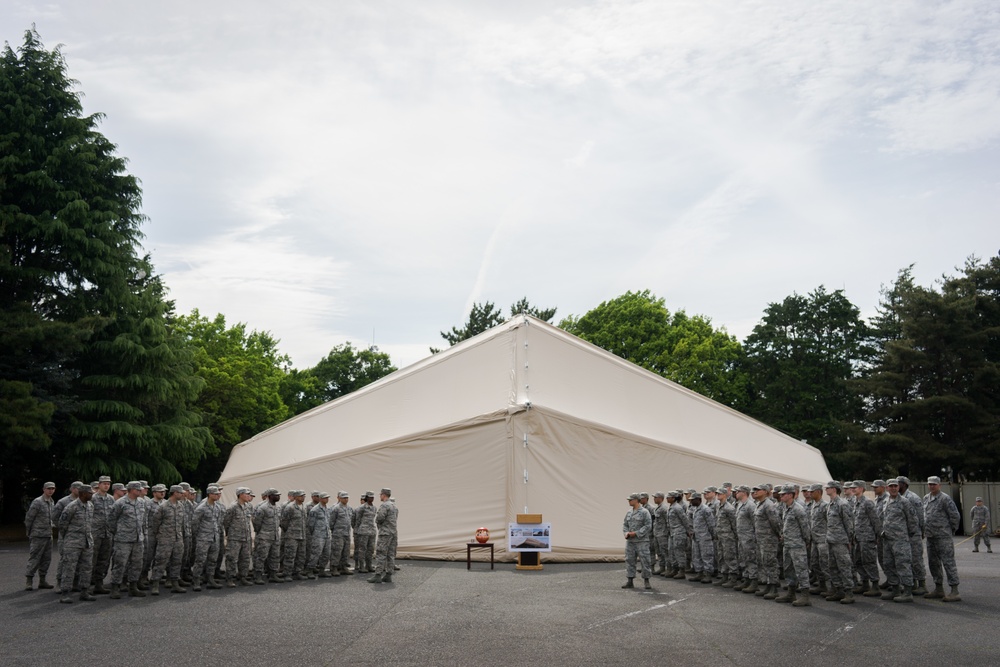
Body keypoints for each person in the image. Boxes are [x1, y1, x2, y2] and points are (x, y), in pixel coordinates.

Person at [923, 476, 961, 602]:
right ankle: (938, 589)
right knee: (933, 563)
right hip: (930, 536)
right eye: (930, 484)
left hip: (943, 536)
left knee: (948, 563)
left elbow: (955, 516)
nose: (932, 486)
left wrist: (951, 530)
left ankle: (954, 590)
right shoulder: (926, 498)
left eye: (934, 484)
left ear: (939, 485)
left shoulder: (945, 498)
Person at [57, 484, 96, 604]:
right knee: (69, 567)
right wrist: (69, 538)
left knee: (87, 568)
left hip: (87, 542)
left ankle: (84, 591)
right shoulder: (71, 506)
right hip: (73, 542)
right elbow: (62, 525)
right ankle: (65, 593)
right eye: (90, 493)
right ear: (83, 493)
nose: (92, 495)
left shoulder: (90, 506)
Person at [880, 479, 918, 603]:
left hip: (900, 540)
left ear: (898, 487)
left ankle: (907, 592)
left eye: (895, 486)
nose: (893, 488)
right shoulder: (886, 501)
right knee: (889, 565)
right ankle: (895, 590)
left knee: (903, 565)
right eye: (891, 486)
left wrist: (908, 536)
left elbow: (912, 520)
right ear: (887, 488)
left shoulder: (904, 502)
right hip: (888, 539)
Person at [108, 481, 147, 599]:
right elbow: (111, 521)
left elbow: (143, 520)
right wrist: (119, 533)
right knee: (120, 563)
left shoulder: (141, 502)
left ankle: (133, 587)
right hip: (123, 539)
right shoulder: (120, 503)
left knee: (137, 564)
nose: (140, 491)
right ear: (130, 490)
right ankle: (115, 587)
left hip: (137, 539)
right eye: (138, 489)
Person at [775, 485, 812, 606]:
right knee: (788, 569)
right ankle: (791, 593)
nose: (781, 496)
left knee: (801, 569)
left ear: (790, 495)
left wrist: (806, 542)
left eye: (783, 494)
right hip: (788, 544)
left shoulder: (798, 509)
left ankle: (805, 596)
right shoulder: (786, 508)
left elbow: (805, 528)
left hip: (797, 545)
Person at [150, 485, 188, 595]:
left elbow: (182, 523)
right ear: (174, 493)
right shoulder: (163, 506)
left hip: (178, 538)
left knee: (177, 561)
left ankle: (174, 583)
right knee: (161, 561)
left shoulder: (180, 506)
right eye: (180, 493)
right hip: (165, 539)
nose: (182, 494)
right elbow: (155, 523)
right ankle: (155, 584)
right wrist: (161, 535)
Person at [824, 481, 855, 604]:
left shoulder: (842, 504)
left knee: (844, 566)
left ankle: (849, 592)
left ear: (834, 489)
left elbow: (849, 523)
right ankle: (838, 590)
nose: (826, 489)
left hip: (841, 540)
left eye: (828, 488)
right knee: (832, 567)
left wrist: (849, 540)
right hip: (831, 540)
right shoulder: (830, 504)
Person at [897, 476, 928, 595]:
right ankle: (912, 583)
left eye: (898, 483)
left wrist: (921, 531)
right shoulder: (899, 498)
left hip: (914, 533)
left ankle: (922, 584)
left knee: (916, 559)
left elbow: (921, 516)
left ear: (904, 484)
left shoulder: (913, 498)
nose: (896, 486)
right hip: (904, 534)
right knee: (907, 560)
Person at [24, 481, 57, 591]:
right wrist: (29, 532)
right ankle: (29, 580)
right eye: (48, 489)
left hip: (48, 535)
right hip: (38, 534)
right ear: (44, 489)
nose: (50, 490)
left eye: (52, 489)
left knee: (46, 559)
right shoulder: (38, 502)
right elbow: (29, 518)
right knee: (35, 558)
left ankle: (42, 580)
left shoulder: (52, 502)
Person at [190, 485, 224, 590]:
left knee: (212, 560)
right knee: (200, 560)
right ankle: (196, 581)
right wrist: (199, 536)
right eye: (215, 494)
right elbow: (194, 524)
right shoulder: (201, 508)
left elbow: (219, 522)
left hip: (215, 537)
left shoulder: (217, 507)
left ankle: (210, 579)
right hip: (203, 538)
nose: (217, 495)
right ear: (209, 494)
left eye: (218, 493)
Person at [852, 481, 882, 596]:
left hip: (867, 537)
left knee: (869, 561)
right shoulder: (855, 502)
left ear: (862, 489)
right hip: (858, 538)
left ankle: (875, 585)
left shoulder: (868, 503)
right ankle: (865, 584)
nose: (853, 489)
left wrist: (878, 536)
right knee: (858, 561)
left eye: (856, 487)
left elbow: (875, 520)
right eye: (853, 487)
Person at [753, 484, 781, 600]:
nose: (755, 492)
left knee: (771, 563)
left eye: (757, 490)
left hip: (769, 539)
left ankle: (774, 588)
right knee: (765, 562)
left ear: (765, 492)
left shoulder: (769, 505)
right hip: (761, 539)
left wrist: (777, 535)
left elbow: (775, 522)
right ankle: (769, 585)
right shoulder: (759, 504)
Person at [224, 487, 256, 586]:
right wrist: (229, 534)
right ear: (240, 494)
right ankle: (230, 578)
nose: (248, 496)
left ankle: (243, 577)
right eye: (246, 494)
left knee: (245, 558)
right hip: (235, 538)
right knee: (232, 558)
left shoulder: (249, 506)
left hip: (246, 537)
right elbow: (226, 522)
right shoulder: (232, 507)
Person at [621, 492, 652, 589]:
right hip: (630, 542)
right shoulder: (629, 512)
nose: (629, 501)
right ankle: (630, 580)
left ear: (636, 500)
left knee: (645, 561)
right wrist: (626, 533)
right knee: (629, 560)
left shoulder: (644, 512)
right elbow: (625, 524)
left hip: (642, 541)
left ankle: (646, 580)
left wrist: (637, 533)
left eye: (630, 500)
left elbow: (648, 526)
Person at [89, 475, 114, 594]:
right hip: (95, 533)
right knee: (91, 560)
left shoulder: (111, 499)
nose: (106, 485)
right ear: (99, 485)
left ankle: (99, 584)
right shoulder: (92, 498)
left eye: (108, 484)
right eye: (104, 483)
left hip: (107, 534)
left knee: (103, 561)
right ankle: (87, 586)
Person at [369, 488, 399, 584]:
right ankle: (388, 575)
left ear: (383, 495)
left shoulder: (384, 506)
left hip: (385, 533)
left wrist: (380, 525)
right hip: (393, 533)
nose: (380, 497)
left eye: (380, 495)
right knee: (390, 554)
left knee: (381, 554)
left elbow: (379, 518)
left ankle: (378, 575)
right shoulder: (394, 506)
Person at [253, 488, 283, 583]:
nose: (278, 497)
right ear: (270, 496)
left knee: (275, 556)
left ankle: (273, 575)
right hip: (264, 537)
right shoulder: (263, 508)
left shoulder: (278, 507)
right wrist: (261, 533)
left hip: (275, 536)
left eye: (278, 495)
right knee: (261, 557)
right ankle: (258, 576)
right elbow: (257, 523)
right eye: (276, 495)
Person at [733, 485, 758, 594]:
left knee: (751, 559)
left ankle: (754, 581)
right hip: (741, 537)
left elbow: (755, 522)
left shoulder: (750, 505)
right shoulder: (740, 505)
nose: (736, 493)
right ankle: (746, 578)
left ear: (744, 492)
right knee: (743, 559)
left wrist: (754, 536)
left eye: (738, 491)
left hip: (749, 537)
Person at [807, 484, 830, 597]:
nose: (810, 493)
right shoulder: (813, 505)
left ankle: (831, 587)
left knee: (825, 564)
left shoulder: (825, 506)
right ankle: (822, 585)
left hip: (823, 539)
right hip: (814, 539)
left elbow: (830, 523)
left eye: (812, 492)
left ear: (819, 492)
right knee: (815, 563)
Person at [280, 490, 308, 581]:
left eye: (303, 496)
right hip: (292, 536)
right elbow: (284, 522)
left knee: (301, 555)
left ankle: (298, 572)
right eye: (300, 496)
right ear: (295, 497)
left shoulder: (303, 507)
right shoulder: (290, 507)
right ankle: (287, 573)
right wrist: (289, 531)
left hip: (302, 535)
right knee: (290, 555)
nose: (303, 497)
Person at [689, 492, 716, 584]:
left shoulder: (705, 509)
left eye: (693, 500)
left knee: (706, 556)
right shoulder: (695, 509)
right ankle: (699, 573)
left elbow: (711, 524)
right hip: (696, 537)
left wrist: (712, 536)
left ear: (698, 500)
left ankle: (708, 574)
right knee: (697, 556)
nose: (691, 501)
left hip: (705, 537)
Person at [715, 486, 739, 587]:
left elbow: (734, 523)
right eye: (717, 493)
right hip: (720, 536)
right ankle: (724, 576)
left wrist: (735, 536)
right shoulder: (719, 506)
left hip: (728, 536)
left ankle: (733, 578)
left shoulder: (729, 508)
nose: (718, 495)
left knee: (730, 557)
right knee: (721, 556)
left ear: (725, 494)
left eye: (720, 493)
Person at [306, 492, 332, 578]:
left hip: (326, 535)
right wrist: (316, 533)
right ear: (320, 499)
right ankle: (310, 570)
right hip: (318, 535)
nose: (327, 499)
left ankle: (322, 570)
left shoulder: (326, 509)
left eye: (327, 498)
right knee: (315, 553)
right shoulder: (315, 510)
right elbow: (310, 524)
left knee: (326, 554)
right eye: (325, 498)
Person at [666, 492, 690, 580]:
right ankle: (675, 568)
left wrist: (689, 531)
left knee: (679, 552)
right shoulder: (671, 507)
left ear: (673, 498)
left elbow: (685, 520)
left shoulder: (677, 508)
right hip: (672, 533)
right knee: (671, 551)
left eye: (668, 497)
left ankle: (682, 570)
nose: (667, 499)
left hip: (679, 532)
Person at [329, 491, 354, 575]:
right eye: (344, 498)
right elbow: (331, 522)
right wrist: (334, 531)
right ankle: (334, 567)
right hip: (338, 533)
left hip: (346, 533)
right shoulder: (335, 508)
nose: (346, 499)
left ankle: (343, 567)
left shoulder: (349, 508)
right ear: (339, 498)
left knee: (346, 551)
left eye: (347, 498)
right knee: (337, 551)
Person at [353, 491, 377, 573]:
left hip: (372, 531)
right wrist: (357, 529)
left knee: (370, 549)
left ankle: (369, 565)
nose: (371, 499)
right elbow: (357, 520)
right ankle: (361, 566)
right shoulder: (361, 508)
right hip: (363, 531)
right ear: (366, 498)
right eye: (370, 497)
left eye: (373, 497)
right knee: (362, 549)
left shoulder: (374, 508)